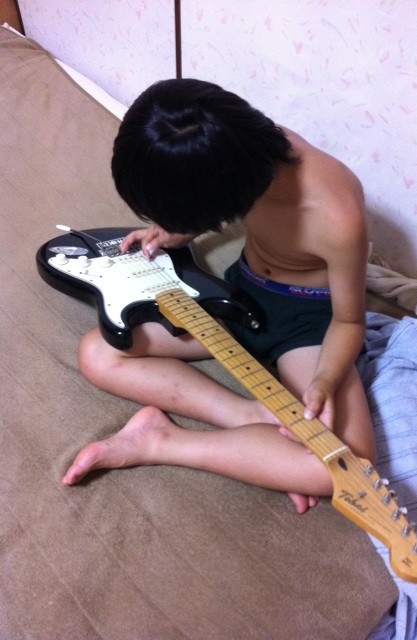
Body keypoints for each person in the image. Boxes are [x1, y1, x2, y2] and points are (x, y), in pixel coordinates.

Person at [62, 78, 375, 514]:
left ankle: (163, 443)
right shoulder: (236, 155)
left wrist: (324, 381)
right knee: (98, 352)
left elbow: (350, 321)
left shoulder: (336, 216)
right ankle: (251, 417)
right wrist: (176, 230)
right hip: (235, 297)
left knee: (347, 464)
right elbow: (215, 197)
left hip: (307, 326)